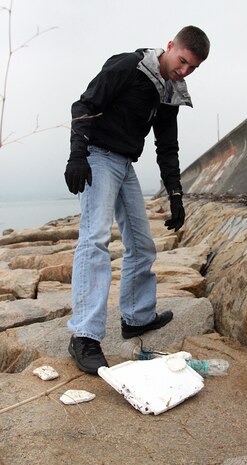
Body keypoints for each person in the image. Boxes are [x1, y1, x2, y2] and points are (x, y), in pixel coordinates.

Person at [64, 25, 210, 375]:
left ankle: (136, 317)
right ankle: (83, 336)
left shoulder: (169, 92)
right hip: (98, 156)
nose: (184, 71)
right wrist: (77, 155)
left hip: (125, 164)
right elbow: (84, 104)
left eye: (193, 68)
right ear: (170, 45)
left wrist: (175, 194)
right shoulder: (128, 67)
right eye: (182, 61)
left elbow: (167, 146)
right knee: (95, 240)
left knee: (143, 245)